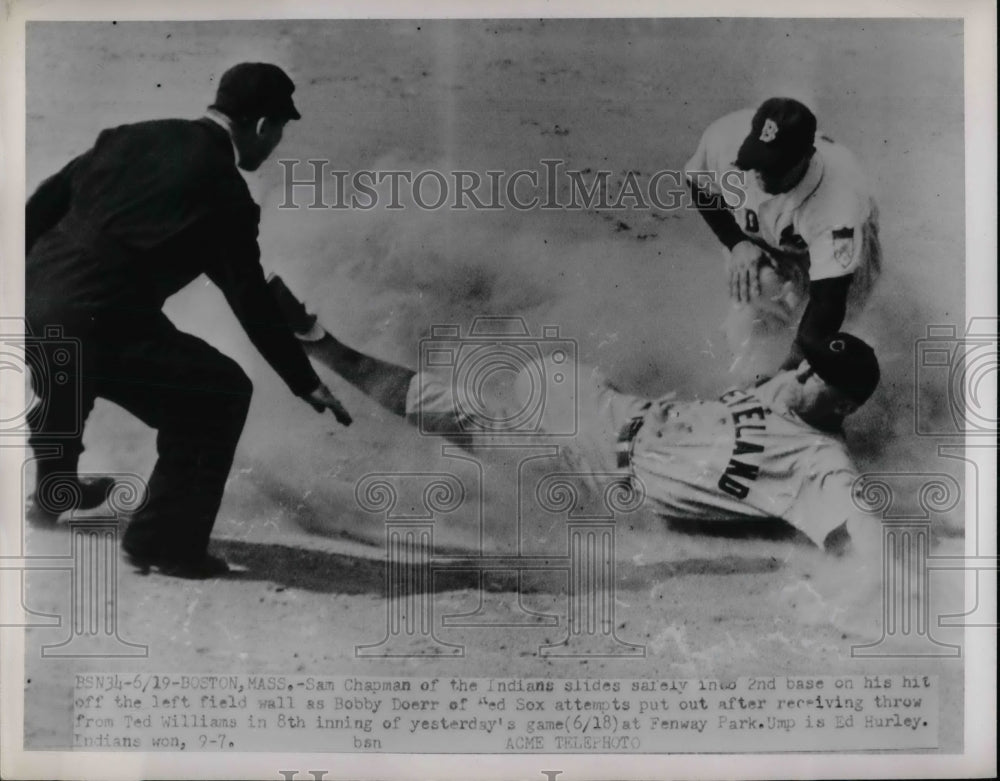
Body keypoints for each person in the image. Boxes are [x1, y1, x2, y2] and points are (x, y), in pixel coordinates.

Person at [268, 276, 884, 565]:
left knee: (458, 416)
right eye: (804, 368)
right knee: (534, 371)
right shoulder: (786, 387)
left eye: (814, 379)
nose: (797, 376)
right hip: (609, 407)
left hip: (601, 471)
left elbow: (859, 539)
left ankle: (317, 341)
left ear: (844, 405)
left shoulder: (820, 464)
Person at [25, 63, 351, 578]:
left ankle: (52, 490)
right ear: (263, 126)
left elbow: (42, 204)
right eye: (281, 131)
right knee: (219, 394)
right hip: (95, 318)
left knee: (71, 356)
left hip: (32, 296)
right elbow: (249, 298)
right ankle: (165, 542)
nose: (275, 145)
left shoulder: (132, 136)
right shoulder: (226, 194)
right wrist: (303, 380)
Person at [684, 97, 882, 384]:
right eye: (757, 161)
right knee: (751, 315)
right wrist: (737, 243)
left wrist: (786, 376)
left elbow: (828, 301)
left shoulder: (839, 204)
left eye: (774, 166)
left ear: (807, 156)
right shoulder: (726, 137)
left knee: (831, 344)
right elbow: (698, 184)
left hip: (843, 254)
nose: (761, 174)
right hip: (761, 239)